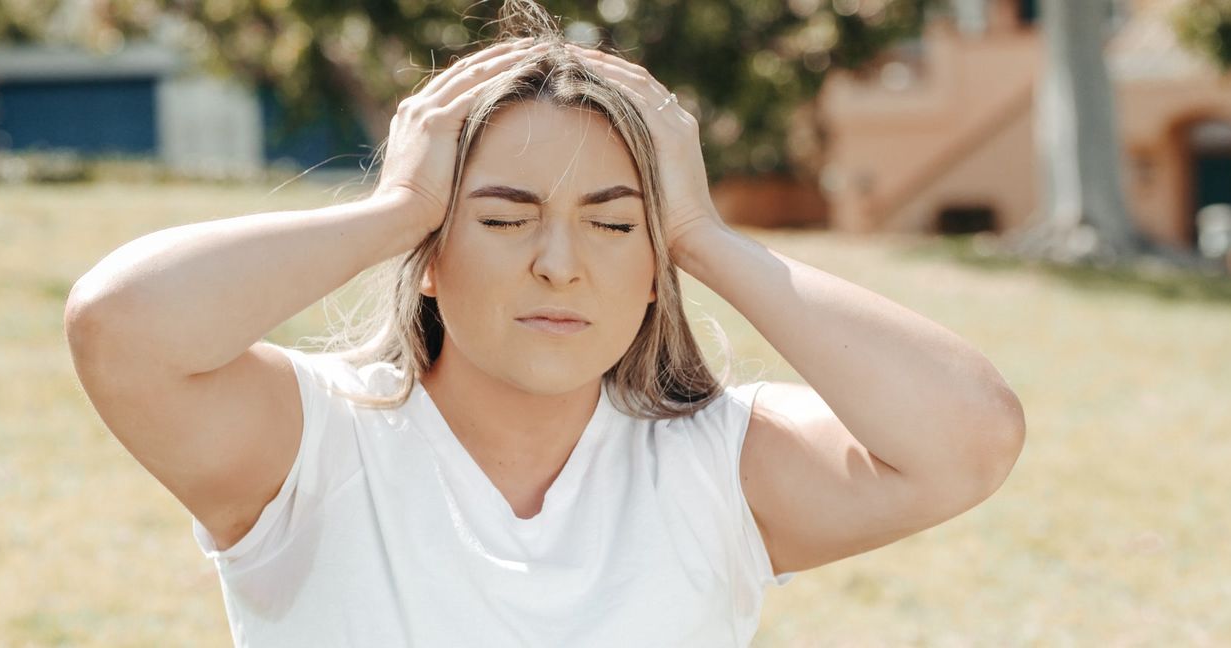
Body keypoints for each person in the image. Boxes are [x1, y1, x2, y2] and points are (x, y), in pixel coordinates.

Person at [63, 2, 1025, 645]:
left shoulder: (719, 464)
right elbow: (121, 325)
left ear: (655, 270)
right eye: (503, 217)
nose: (559, 262)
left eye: (613, 224)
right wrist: (394, 209)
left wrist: (699, 233)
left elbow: (971, 438)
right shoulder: (309, 446)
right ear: (433, 254)